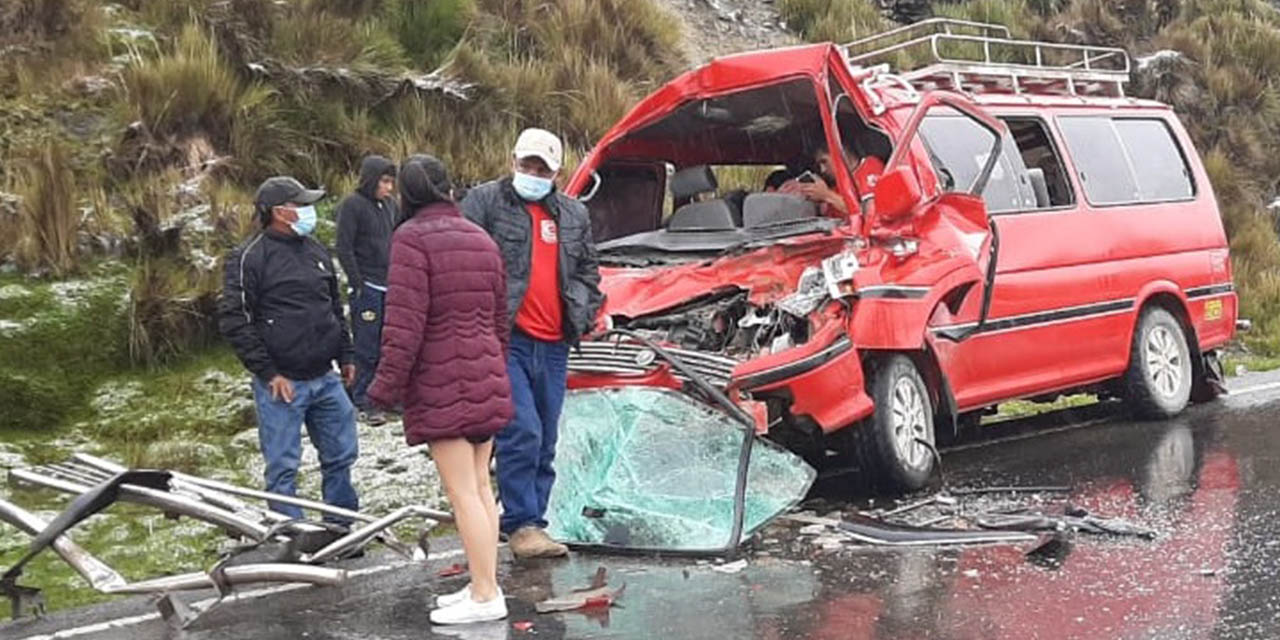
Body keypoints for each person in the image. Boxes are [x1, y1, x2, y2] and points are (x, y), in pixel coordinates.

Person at [367, 156, 512, 625]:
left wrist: (383, 390)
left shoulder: (410, 240)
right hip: (486, 369)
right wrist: (495, 366)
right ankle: (482, 583)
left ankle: (486, 593)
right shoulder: (480, 237)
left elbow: (404, 325)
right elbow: (498, 319)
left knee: (462, 492)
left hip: (441, 377)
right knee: (482, 488)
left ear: (408, 194)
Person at [461, 128, 604, 559]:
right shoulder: (484, 203)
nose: (533, 173)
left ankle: (534, 520)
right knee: (521, 429)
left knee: (545, 437)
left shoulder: (573, 214)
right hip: (507, 340)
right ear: (513, 161)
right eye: (527, 165)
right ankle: (521, 523)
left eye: (542, 168)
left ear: (556, 171)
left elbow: (587, 270)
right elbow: (463, 260)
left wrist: (582, 308)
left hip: (556, 343)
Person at [217, 176, 360, 526]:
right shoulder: (248, 257)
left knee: (341, 456)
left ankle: (340, 527)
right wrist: (269, 373)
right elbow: (235, 319)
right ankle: (290, 535)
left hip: (325, 377)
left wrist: (346, 355)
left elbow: (333, 305)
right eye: (301, 204)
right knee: (283, 466)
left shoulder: (315, 249)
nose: (309, 210)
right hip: (282, 383)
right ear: (280, 212)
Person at [335, 155, 399, 427]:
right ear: (372, 179)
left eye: (391, 182)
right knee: (367, 345)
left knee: (389, 344)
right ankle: (363, 399)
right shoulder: (352, 205)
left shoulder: (391, 206)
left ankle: (386, 396)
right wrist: (357, 282)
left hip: (390, 284)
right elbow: (344, 246)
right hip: (368, 286)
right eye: (384, 181)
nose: (388, 187)